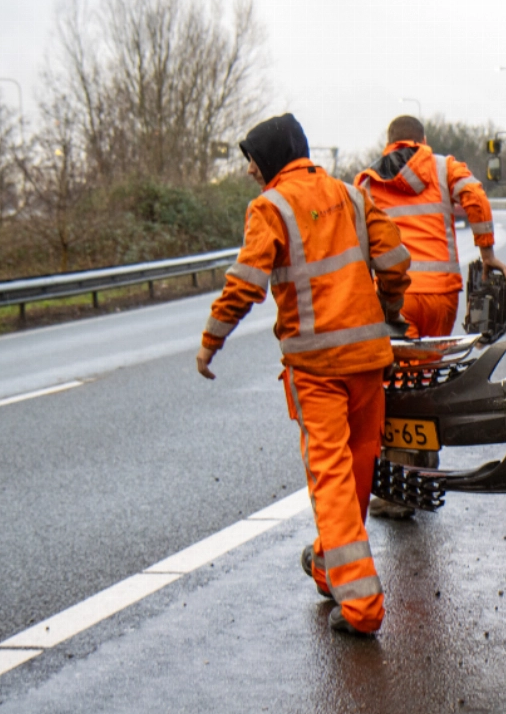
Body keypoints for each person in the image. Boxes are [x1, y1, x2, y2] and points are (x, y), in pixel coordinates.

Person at [196, 113, 411, 637]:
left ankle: (361, 606)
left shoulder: (270, 208)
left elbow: (245, 284)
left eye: (252, 160)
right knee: (356, 470)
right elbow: (395, 260)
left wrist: (211, 340)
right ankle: (329, 566)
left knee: (332, 479)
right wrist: (389, 308)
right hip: (368, 359)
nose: (249, 170)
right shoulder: (351, 196)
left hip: (317, 368)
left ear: (270, 157)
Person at [355, 115, 506, 519]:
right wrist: (487, 252)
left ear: (389, 142)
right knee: (427, 379)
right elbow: (475, 195)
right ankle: (425, 467)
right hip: (442, 294)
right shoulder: (443, 167)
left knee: (398, 386)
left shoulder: (367, 181)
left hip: (396, 298)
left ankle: (400, 492)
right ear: (422, 140)